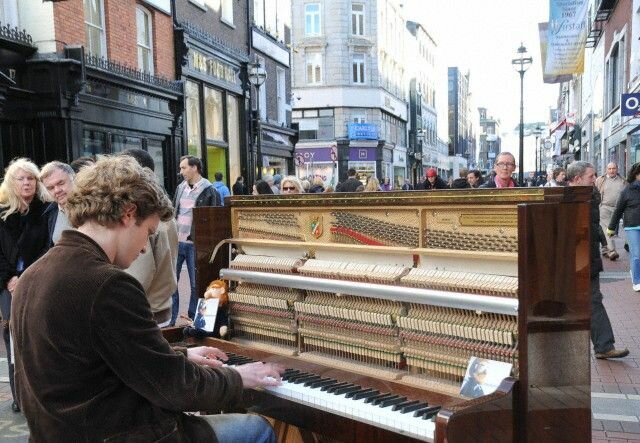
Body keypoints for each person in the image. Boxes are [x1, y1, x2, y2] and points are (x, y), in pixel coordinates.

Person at [11, 156, 283, 441]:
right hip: (118, 434)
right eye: (148, 233)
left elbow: (105, 359)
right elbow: (175, 387)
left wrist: (183, 355)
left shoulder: (33, 275)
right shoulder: (108, 284)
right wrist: (240, 378)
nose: (144, 249)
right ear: (128, 214)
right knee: (257, 429)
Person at [0, 158, 51, 413]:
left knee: (38, 335)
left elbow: (49, 248)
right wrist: (9, 278)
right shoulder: (1, 212)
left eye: (31, 178)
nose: (26, 183)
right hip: (7, 284)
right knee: (13, 336)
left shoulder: (46, 211)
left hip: (38, 280)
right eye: (21, 178)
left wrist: (27, 276)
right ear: (12, 182)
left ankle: (39, 394)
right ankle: (19, 394)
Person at [567, 161, 629, 359]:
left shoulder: (592, 195)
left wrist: (604, 244)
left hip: (588, 258)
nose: (595, 179)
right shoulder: (562, 198)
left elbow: (594, 225)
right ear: (577, 179)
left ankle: (603, 345)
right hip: (569, 259)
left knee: (593, 300)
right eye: (591, 176)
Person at [121, 148, 178, 327]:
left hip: (146, 313)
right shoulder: (159, 211)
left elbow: (138, 277)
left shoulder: (145, 216)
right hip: (158, 308)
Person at [171, 155, 222, 325]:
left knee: (196, 284)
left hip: (195, 244)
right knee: (171, 281)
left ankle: (194, 321)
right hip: (177, 242)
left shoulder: (209, 190)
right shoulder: (180, 188)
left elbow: (215, 219)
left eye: (183, 168)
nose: (181, 171)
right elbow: (175, 211)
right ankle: (171, 320)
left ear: (195, 168)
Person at [607, 162, 640, 291]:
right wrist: (611, 228)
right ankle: (637, 280)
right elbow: (618, 210)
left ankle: (635, 271)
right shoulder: (627, 190)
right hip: (632, 226)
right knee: (636, 253)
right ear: (636, 175)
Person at [40, 161, 75, 246]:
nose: (57, 190)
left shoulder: (92, 206)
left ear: (73, 179)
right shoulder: (50, 213)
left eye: (61, 183)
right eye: (51, 188)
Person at [596, 162, 625, 261]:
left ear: (617, 169)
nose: (612, 170)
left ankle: (605, 249)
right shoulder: (600, 180)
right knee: (608, 229)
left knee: (612, 230)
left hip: (618, 209)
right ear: (606, 169)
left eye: (613, 168)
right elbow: (595, 192)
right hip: (604, 207)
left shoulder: (623, 181)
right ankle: (612, 251)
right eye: (609, 169)